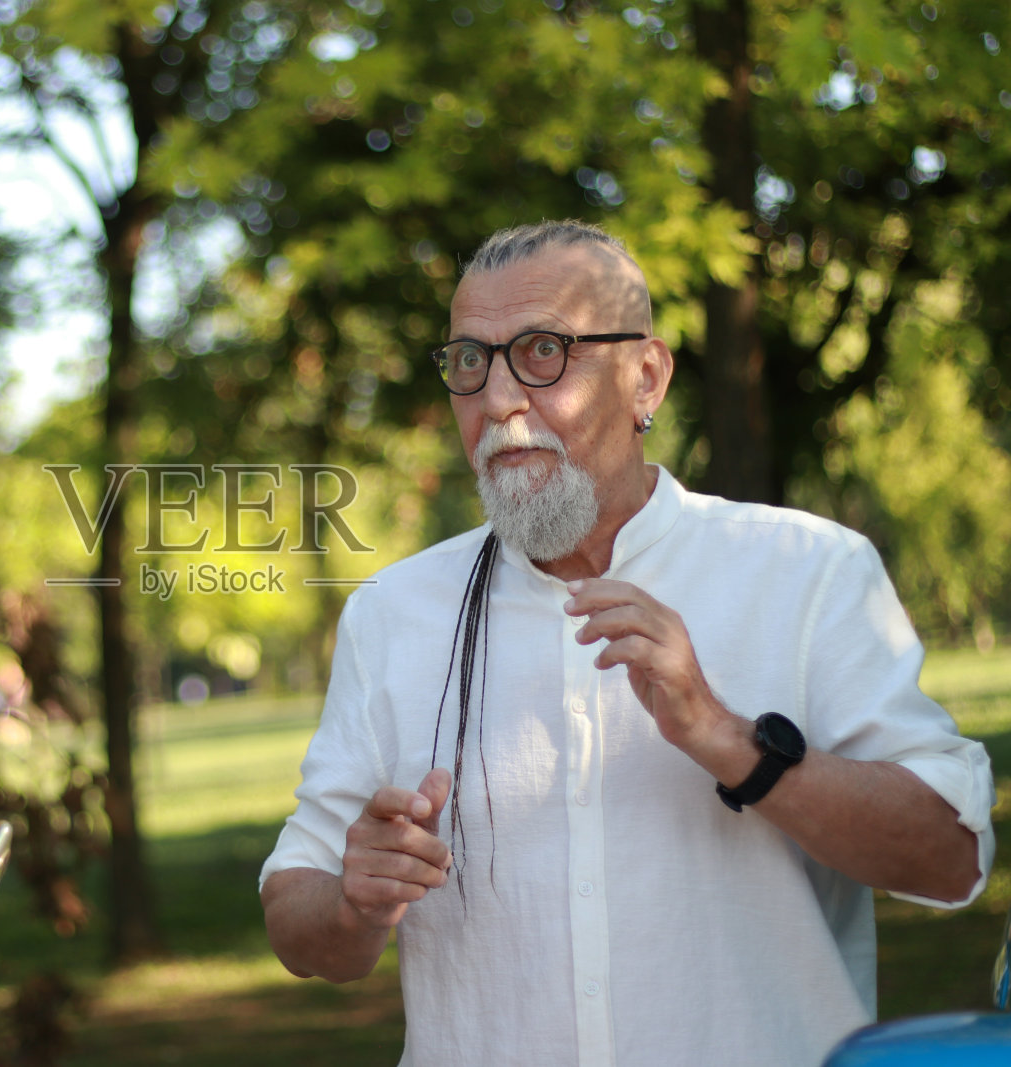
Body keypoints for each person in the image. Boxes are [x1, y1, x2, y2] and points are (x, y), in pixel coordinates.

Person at [259, 220, 995, 1066]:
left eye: (542, 352)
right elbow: (298, 916)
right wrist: (355, 906)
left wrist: (726, 739)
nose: (498, 401)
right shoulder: (394, 611)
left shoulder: (808, 569)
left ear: (645, 376)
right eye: (470, 361)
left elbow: (951, 856)